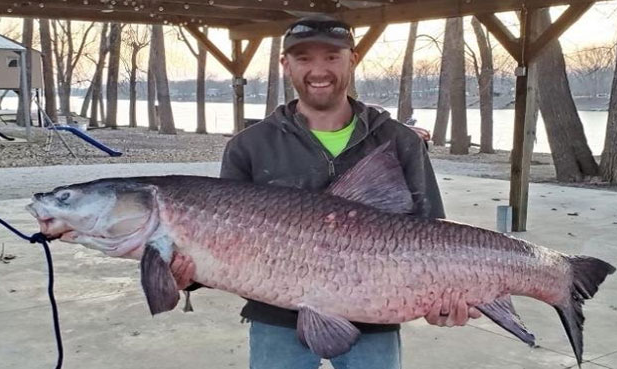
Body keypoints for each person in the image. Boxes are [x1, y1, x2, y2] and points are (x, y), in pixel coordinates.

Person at [170, 15, 470, 369]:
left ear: (352, 59)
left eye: (331, 57)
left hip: (372, 319)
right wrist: (186, 275)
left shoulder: (398, 141)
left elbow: (432, 233)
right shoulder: (249, 147)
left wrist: (445, 295)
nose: (318, 70)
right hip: (276, 319)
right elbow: (220, 240)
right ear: (286, 65)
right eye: (304, 58)